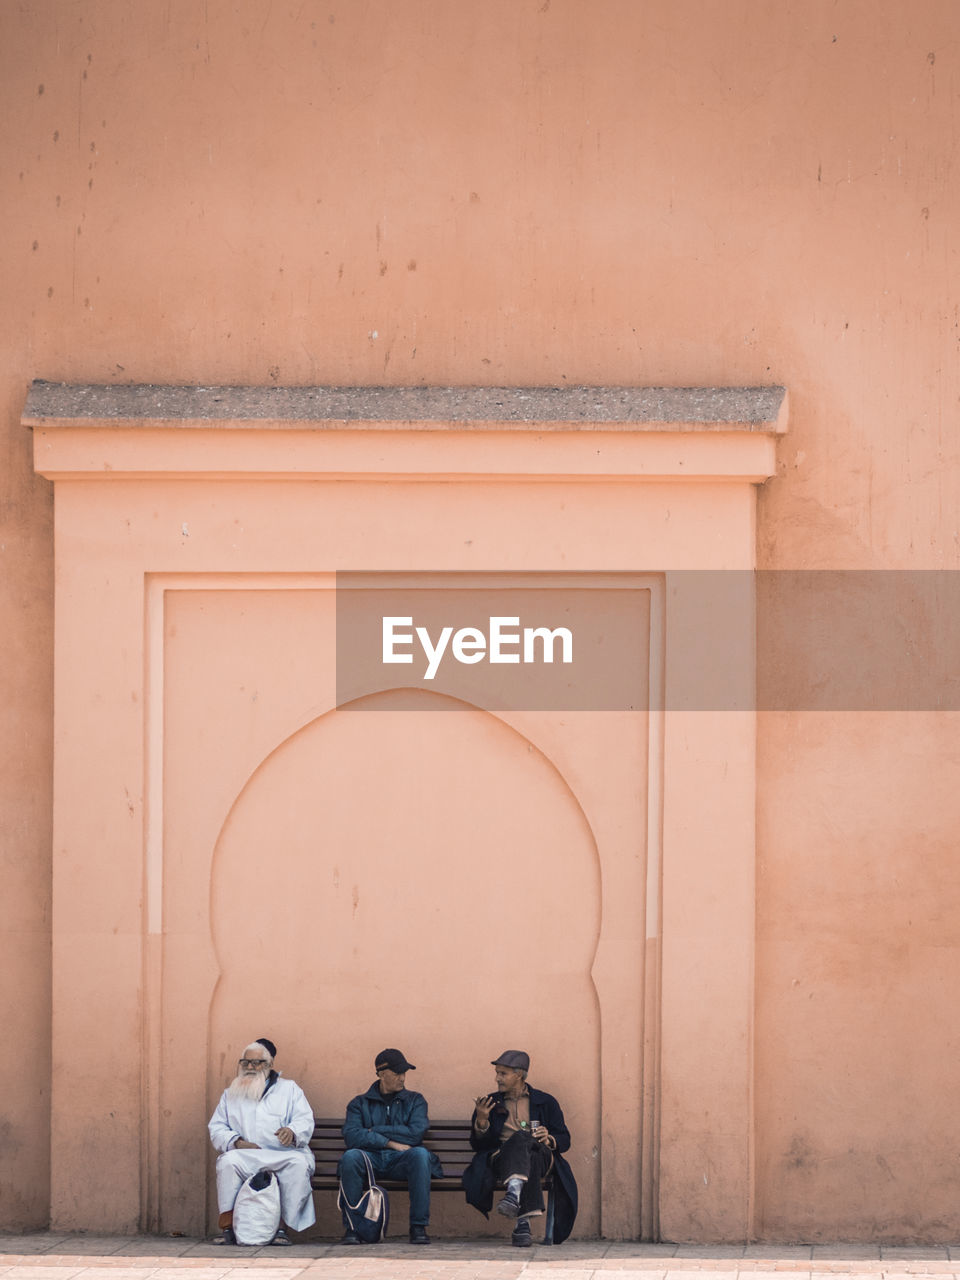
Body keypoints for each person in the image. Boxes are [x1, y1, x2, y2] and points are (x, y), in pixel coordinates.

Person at [462, 1049, 578, 1247]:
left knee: (526, 1143)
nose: (497, 1078)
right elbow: (479, 1146)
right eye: (497, 1073)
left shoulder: (545, 1101)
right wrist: (482, 1120)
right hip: (502, 1159)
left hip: (542, 1156)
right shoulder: (490, 1103)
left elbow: (564, 1139)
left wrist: (549, 1138)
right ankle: (522, 1223)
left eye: (503, 1073)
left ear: (519, 1074)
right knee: (524, 1147)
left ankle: (513, 1196)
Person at [207, 1037, 316, 1244]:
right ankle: (229, 1228)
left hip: (283, 1154)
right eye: (245, 1062)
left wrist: (292, 1132)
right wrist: (237, 1142)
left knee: (298, 1165)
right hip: (247, 1154)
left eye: (256, 1063)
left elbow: (305, 1119)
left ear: (269, 1065)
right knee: (228, 1162)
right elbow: (217, 1127)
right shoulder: (231, 1094)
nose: (250, 1067)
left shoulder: (289, 1089)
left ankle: (282, 1229)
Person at [339, 1048, 442, 1245]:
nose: (402, 1078)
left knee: (420, 1155)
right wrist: (388, 1142)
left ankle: (418, 1227)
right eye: (397, 1073)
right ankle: (352, 1227)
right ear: (380, 1074)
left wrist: (373, 1130)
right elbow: (351, 1136)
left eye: (404, 1073)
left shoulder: (415, 1100)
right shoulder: (359, 1103)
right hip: (371, 1159)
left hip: (401, 1161)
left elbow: (415, 1133)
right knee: (350, 1157)